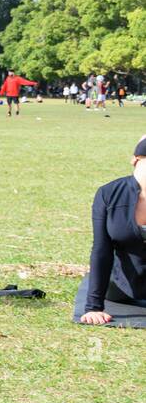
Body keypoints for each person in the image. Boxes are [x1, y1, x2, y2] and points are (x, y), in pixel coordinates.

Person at [74, 135, 146, 325]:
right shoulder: (109, 193)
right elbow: (101, 250)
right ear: (135, 160)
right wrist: (93, 307)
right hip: (120, 287)